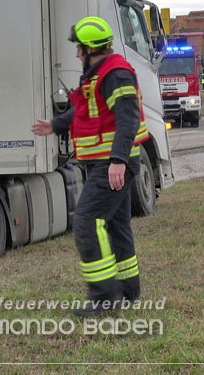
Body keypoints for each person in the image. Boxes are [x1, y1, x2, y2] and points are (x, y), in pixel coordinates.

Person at [31, 16, 148, 317]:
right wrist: (56, 125)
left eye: (79, 48)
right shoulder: (98, 76)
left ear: (90, 49)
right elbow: (83, 112)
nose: (76, 53)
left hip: (112, 164)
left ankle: (104, 297)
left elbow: (128, 119)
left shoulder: (115, 74)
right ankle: (128, 289)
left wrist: (118, 161)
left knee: (86, 221)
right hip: (105, 163)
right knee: (117, 225)